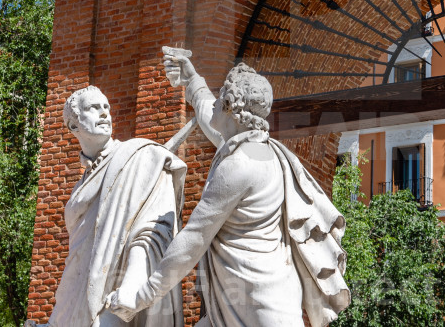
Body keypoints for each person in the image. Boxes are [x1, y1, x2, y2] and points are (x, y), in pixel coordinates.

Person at [106, 56, 349, 327]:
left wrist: (143, 296)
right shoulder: (259, 150)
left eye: (219, 98)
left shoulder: (237, 166)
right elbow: (208, 113)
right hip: (261, 293)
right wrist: (192, 80)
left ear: (229, 106)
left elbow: (193, 240)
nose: (214, 105)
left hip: (256, 305)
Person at [48, 86, 186, 327]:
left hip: (116, 295)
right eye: (94, 108)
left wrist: (132, 284)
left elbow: (155, 229)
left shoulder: (140, 156)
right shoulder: (79, 188)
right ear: (73, 126)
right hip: (73, 303)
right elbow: (77, 260)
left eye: (106, 107)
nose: (104, 113)